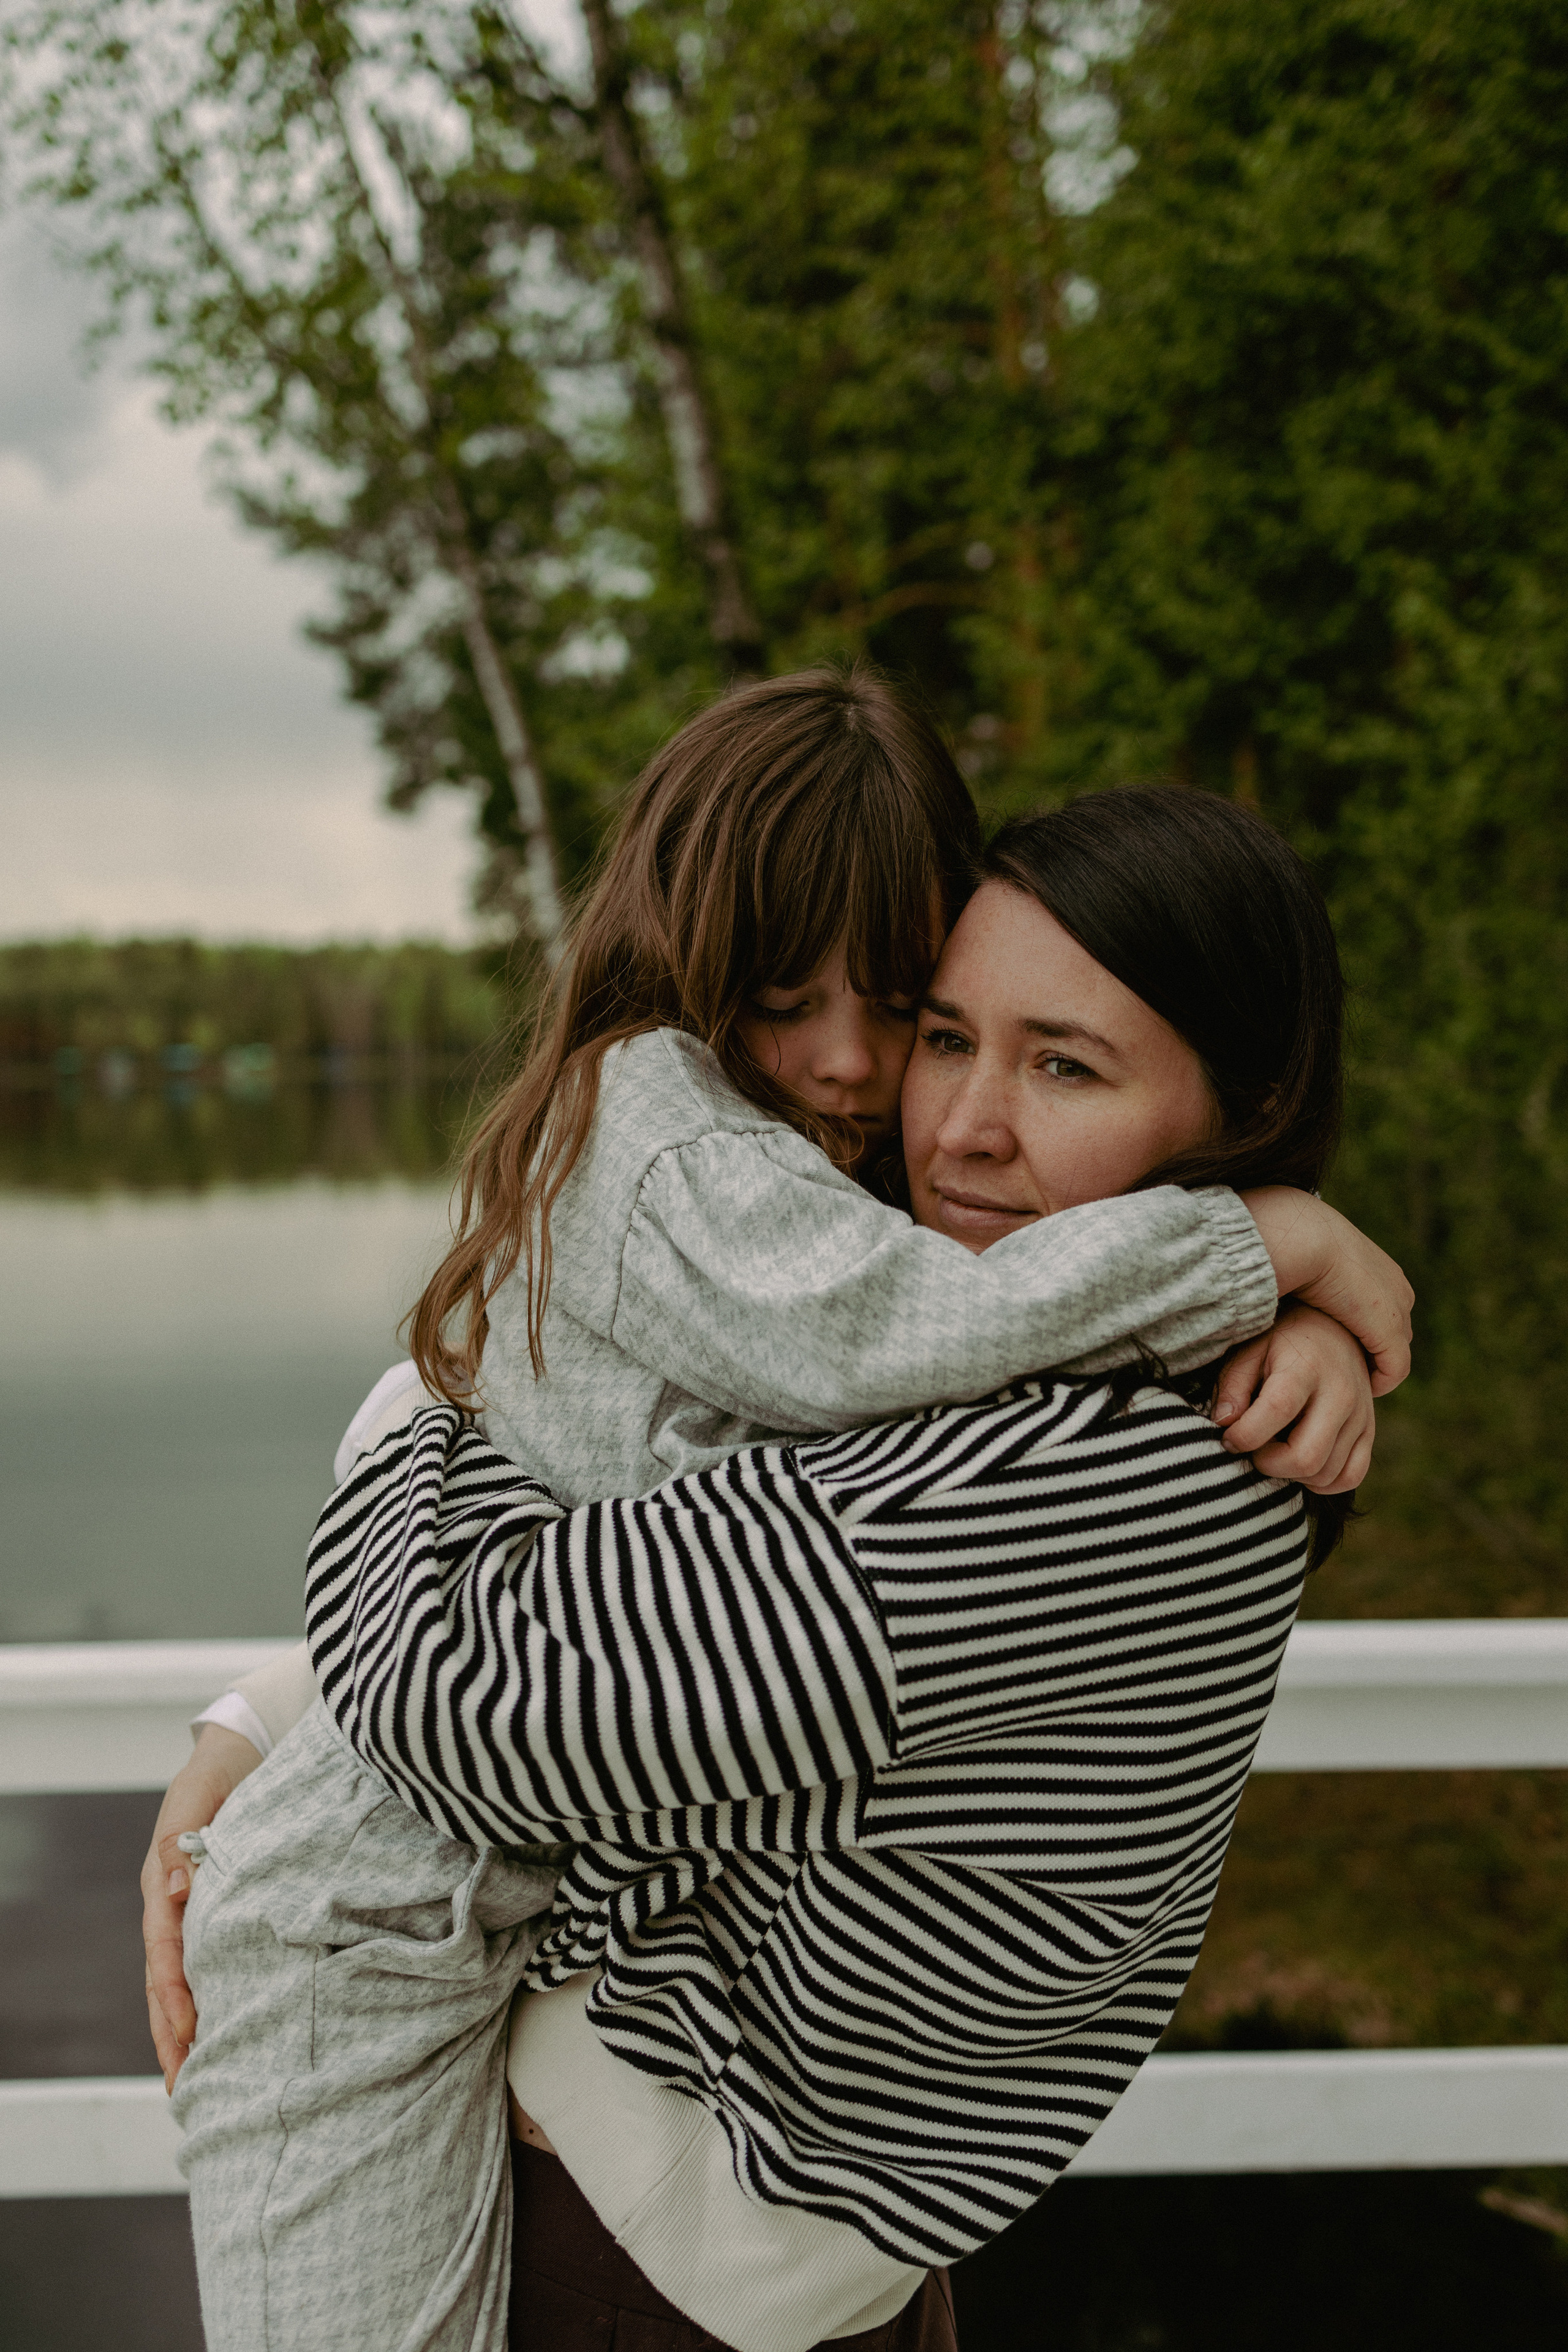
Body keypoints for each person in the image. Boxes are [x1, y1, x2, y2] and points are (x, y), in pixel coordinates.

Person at [141, 683, 1406, 2351]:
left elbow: (470, 1694)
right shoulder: (984, 1324)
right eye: (949, 1034)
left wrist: (402, 1437)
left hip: (650, 2258)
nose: (948, 1117)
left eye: (1066, 1066)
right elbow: (633, 1537)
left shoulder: (1119, 1467)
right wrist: (259, 1715)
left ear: (1241, 1119)